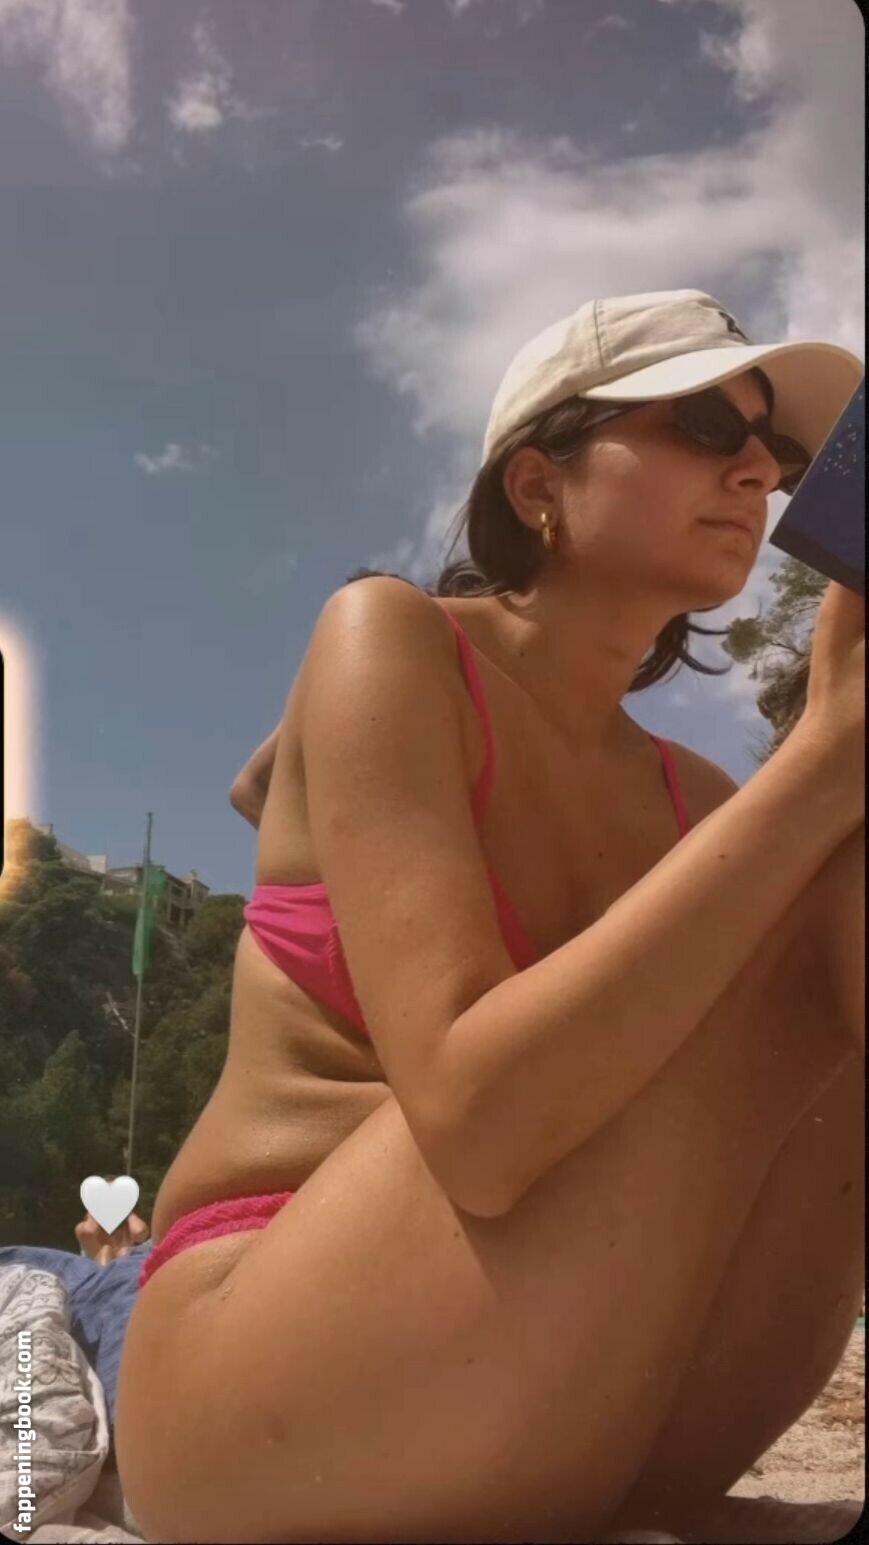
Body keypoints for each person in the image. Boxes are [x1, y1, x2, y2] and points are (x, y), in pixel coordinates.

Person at [113, 288, 864, 1545]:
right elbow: (477, 1127)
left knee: (833, 878)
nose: (754, 473)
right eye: (698, 424)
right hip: (264, 1373)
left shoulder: (694, 801)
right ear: (536, 482)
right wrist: (824, 762)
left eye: (775, 452)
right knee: (809, 883)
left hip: (579, 1394)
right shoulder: (388, 638)